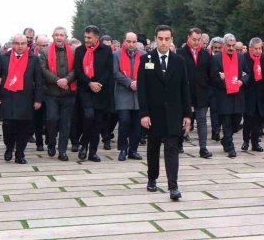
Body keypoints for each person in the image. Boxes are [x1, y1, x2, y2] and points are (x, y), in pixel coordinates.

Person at [138, 24, 192, 199]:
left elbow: (185, 89)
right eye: (160, 39)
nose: (163, 42)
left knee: (172, 148)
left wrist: (187, 115)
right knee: (153, 148)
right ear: (155, 39)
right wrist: (144, 113)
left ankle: (173, 187)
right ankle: (152, 178)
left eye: (167, 39)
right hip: (153, 114)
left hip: (173, 114)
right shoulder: (146, 60)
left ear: (172, 40)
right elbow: (142, 89)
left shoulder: (179, 61)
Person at [0, 34, 44, 164]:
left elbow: (38, 81)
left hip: (26, 97)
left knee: (24, 127)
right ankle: (9, 148)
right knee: (8, 126)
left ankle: (20, 153)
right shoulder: (3, 58)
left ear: (26, 44)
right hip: (8, 97)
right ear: (12, 44)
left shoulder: (33, 59)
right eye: (17, 43)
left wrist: (38, 100)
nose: (20, 46)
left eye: (23, 43)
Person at [74, 25, 114, 162]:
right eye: (85, 37)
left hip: (101, 90)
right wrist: (90, 83)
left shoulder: (106, 50)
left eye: (89, 37)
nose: (86, 40)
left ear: (97, 38)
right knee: (89, 116)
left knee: (97, 122)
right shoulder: (80, 51)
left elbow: (109, 70)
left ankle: (92, 152)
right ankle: (84, 144)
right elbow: (78, 71)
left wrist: (99, 84)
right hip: (85, 89)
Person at [39, 26, 76, 161]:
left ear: (66, 37)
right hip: (51, 93)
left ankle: (62, 151)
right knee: (52, 119)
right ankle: (51, 142)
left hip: (68, 93)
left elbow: (76, 69)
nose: (59, 37)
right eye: (57, 35)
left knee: (65, 123)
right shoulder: (44, 51)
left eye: (62, 35)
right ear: (53, 36)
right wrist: (57, 81)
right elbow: (43, 69)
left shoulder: (73, 51)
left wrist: (66, 80)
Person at [210, 33, 249, 158]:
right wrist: (226, 82)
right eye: (228, 45)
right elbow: (214, 77)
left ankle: (226, 139)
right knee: (226, 122)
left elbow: (248, 73)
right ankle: (231, 148)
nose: (231, 48)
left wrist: (241, 81)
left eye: (233, 45)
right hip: (224, 95)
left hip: (238, 95)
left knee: (236, 122)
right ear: (223, 45)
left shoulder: (241, 57)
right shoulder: (216, 58)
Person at [179, 28, 213, 159]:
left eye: (199, 40)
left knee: (202, 121)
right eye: (194, 39)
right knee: (183, 120)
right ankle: (179, 144)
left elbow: (211, 74)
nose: (196, 42)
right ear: (188, 38)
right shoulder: (180, 53)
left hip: (201, 93)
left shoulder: (205, 54)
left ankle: (203, 148)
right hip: (185, 93)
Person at [113, 31, 145, 161]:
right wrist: (129, 82)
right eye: (129, 42)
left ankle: (133, 150)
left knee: (137, 124)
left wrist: (139, 82)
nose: (131, 44)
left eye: (134, 42)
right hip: (123, 93)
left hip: (138, 94)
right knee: (124, 121)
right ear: (124, 41)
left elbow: (147, 72)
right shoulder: (116, 55)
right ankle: (122, 149)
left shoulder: (143, 55)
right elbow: (115, 72)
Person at [242, 37, 264, 152]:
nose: (258, 51)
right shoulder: (244, 58)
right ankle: (245, 141)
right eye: (256, 49)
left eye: (260, 48)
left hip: (260, 93)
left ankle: (255, 142)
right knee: (248, 118)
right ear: (250, 48)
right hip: (248, 93)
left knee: (258, 120)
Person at [31, 35, 51, 151]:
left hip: (49, 91)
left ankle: (49, 137)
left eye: (46, 45)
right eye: (42, 45)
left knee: (50, 118)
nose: (44, 47)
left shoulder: (52, 56)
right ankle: (39, 142)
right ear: (37, 45)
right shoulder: (32, 58)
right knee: (37, 119)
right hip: (35, 92)